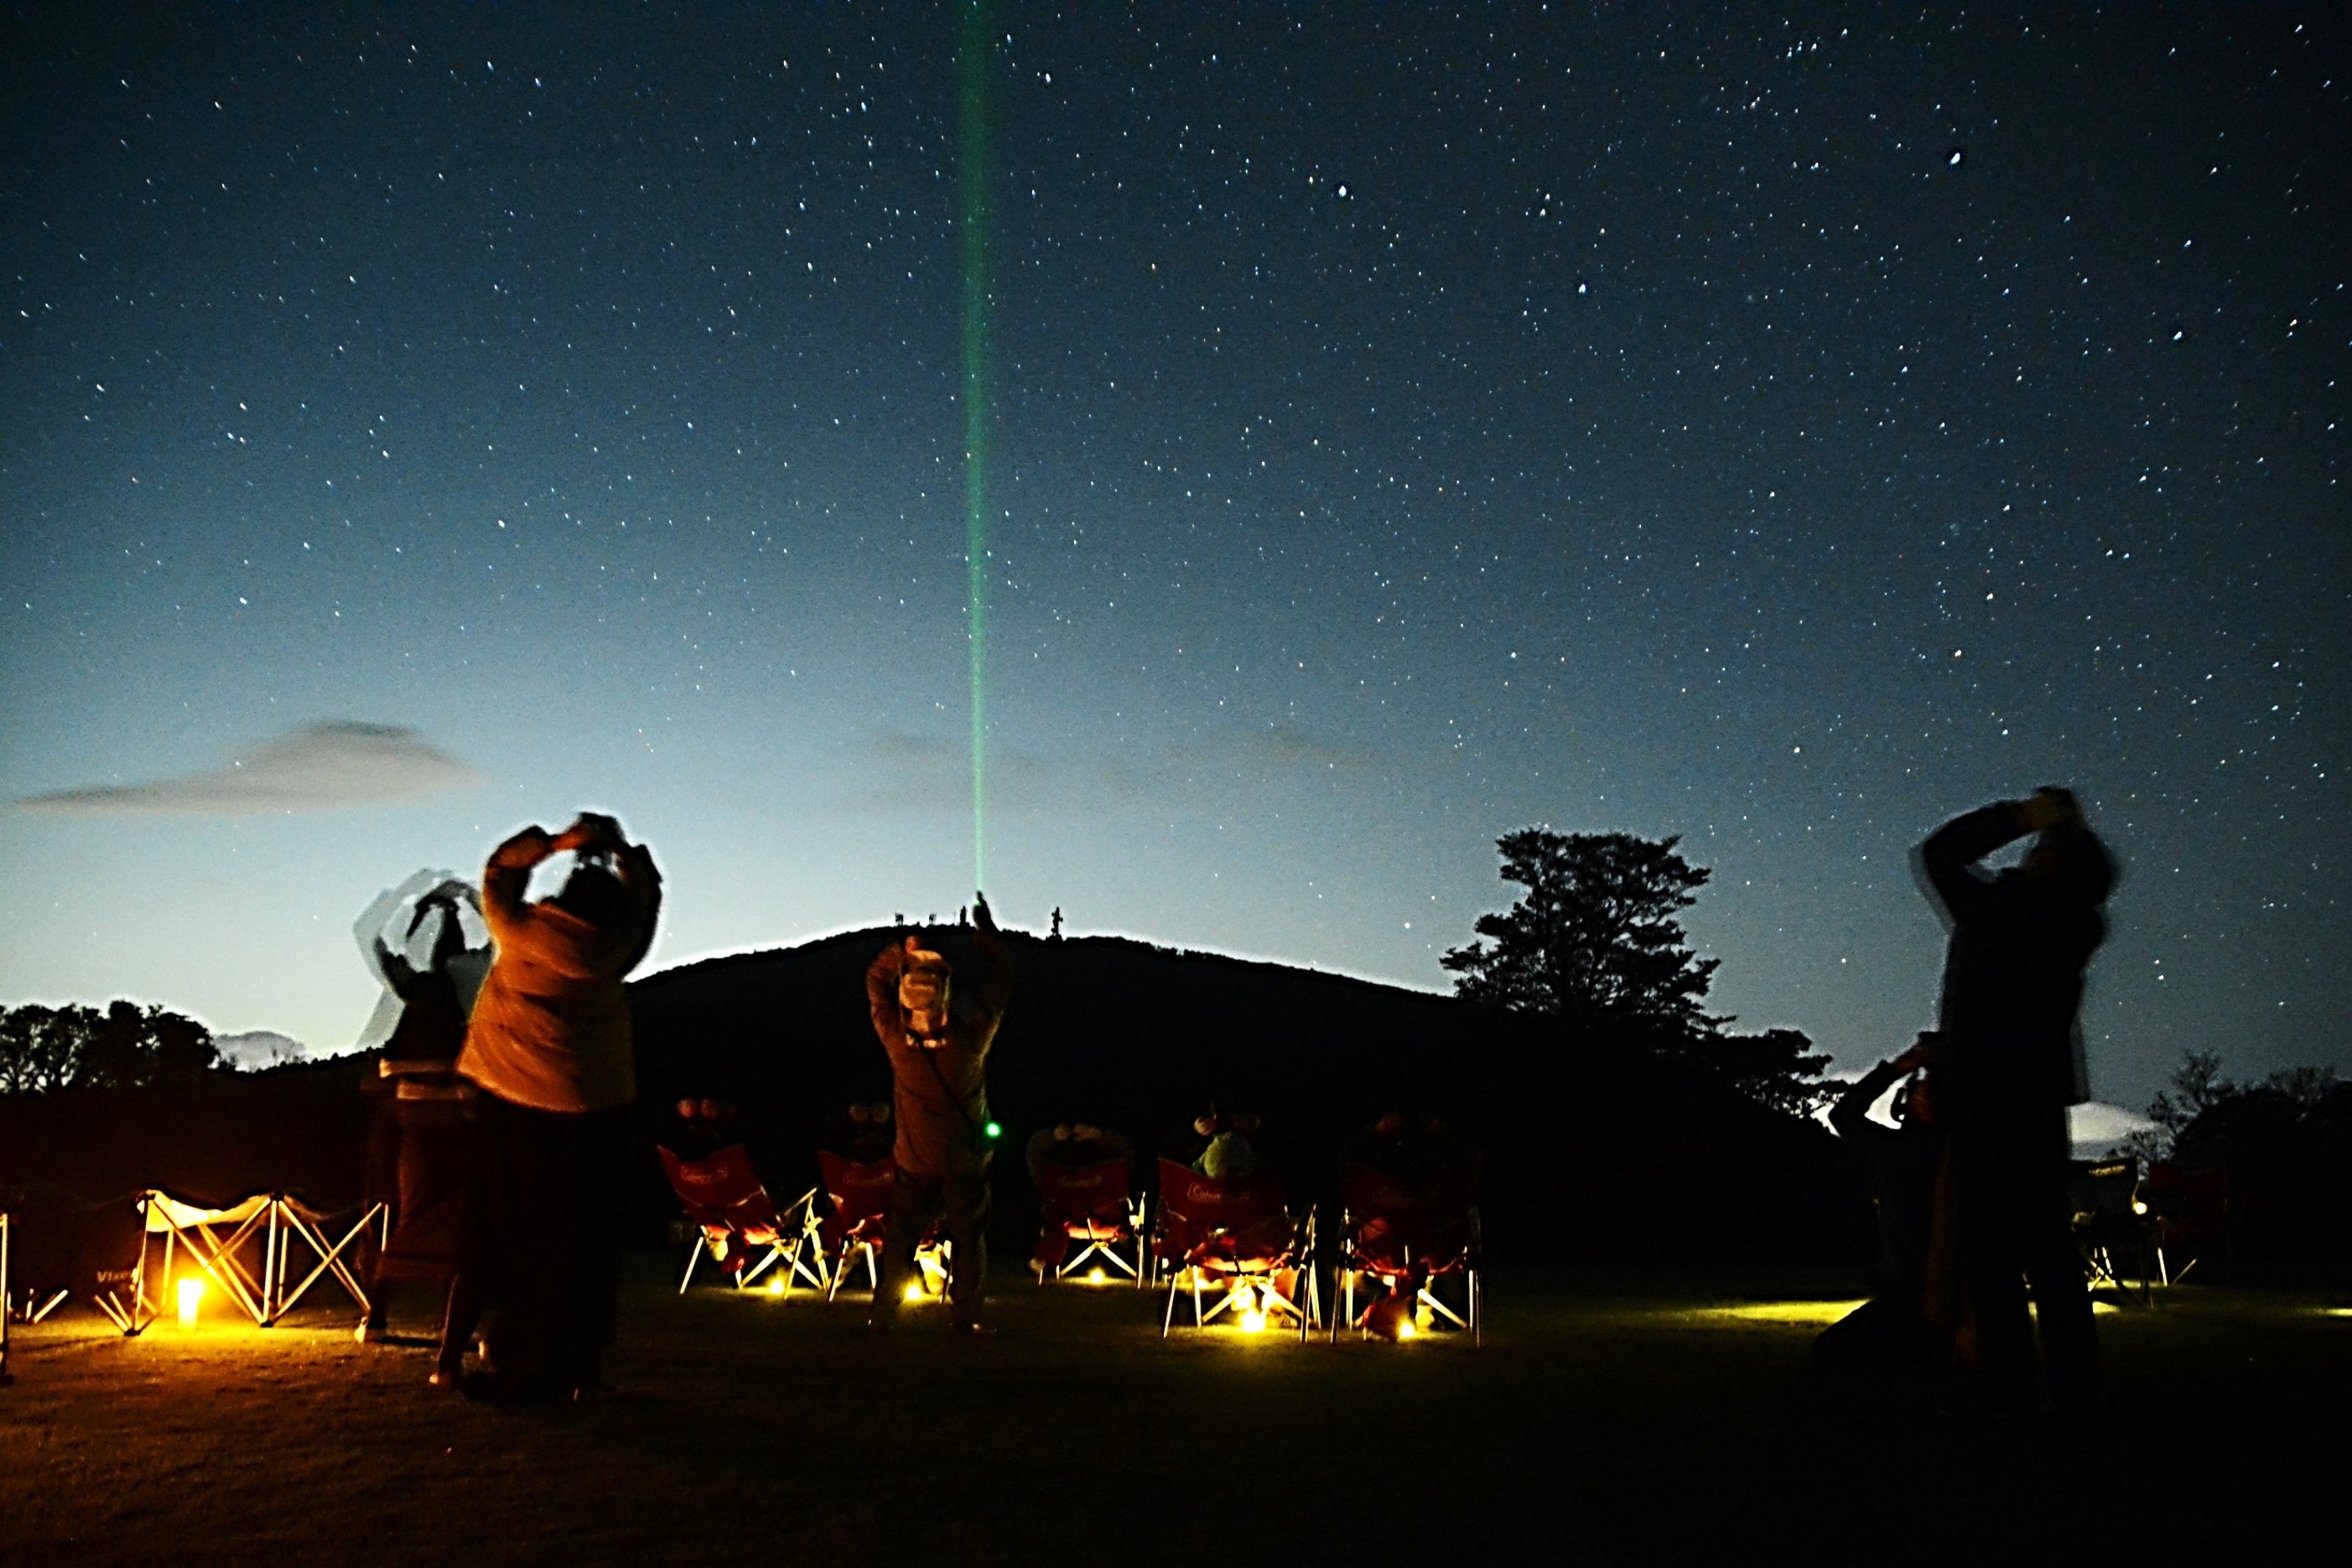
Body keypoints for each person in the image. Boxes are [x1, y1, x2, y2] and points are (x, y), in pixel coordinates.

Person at [451, 812, 662, 1402]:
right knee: (584, 1243)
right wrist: (619, 848)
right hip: (597, 1106)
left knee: (517, 1239)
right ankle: (582, 1369)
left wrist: (558, 842)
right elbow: (648, 891)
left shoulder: (517, 930)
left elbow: (499, 869)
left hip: (513, 1101)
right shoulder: (620, 948)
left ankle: (516, 1369)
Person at [1917, 787, 2114, 1416]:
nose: (2027, 854)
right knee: (2049, 1253)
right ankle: (2075, 1391)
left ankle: (2006, 1392)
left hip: (1983, 1098)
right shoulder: (2078, 922)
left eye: (2039, 849)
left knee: (1990, 1256)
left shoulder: (2007, 911)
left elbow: (1940, 854)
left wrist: (2020, 815)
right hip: (2033, 1097)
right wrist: (2065, 833)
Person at [865, 896, 1012, 1333]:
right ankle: (965, 1318)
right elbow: (1001, 981)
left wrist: (901, 953)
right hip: (965, 1160)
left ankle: (883, 1316)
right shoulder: (970, 1042)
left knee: (901, 1242)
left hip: (913, 1161)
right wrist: (987, 934)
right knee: (969, 1239)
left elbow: (874, 983)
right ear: (946, 995)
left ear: (906, 1000)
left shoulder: (894, 1040)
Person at [1814, 1034, 1948, 1374]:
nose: (1929, 1090)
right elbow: (1844, 1116)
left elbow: (1846, 1115)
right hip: (1908, 1290)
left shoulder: (1914, 1152)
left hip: (1920, 1291)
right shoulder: (1903, 1149)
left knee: (1837, 1354)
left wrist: (1899, 1068)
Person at [1025, 1123, 1135, 1276]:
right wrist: (1100, 1136)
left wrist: (1051, 1138)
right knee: (1057, 1220)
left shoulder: (1055, 1172)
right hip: (1113, 1224)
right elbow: (1128, 1154)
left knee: (1055, 1222)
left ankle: (1044, 1258)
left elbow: (1034, 1155)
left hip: (1075, 1223)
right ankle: (1045, 1258)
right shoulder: (1113, 1170)